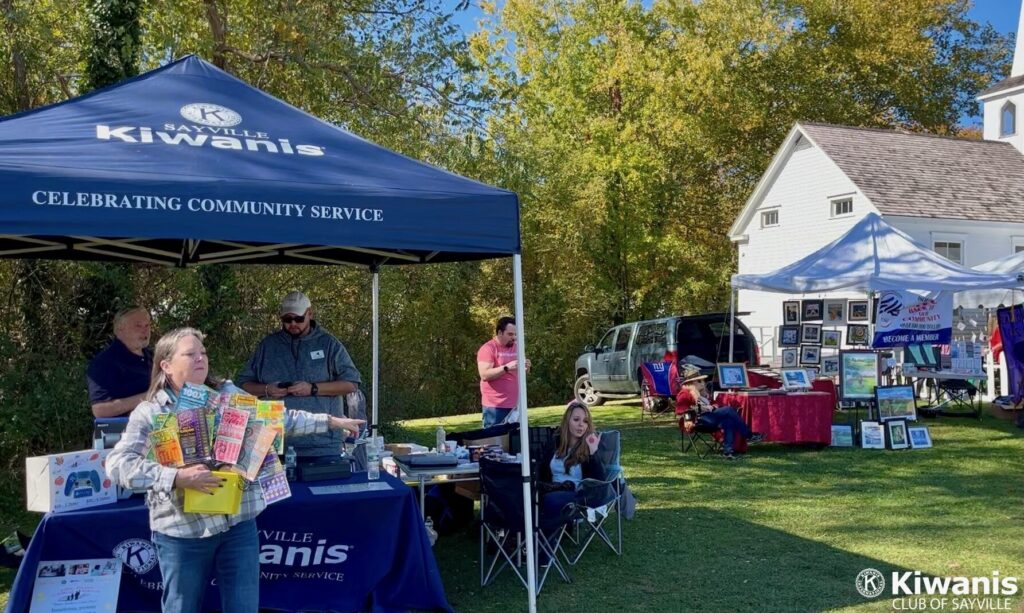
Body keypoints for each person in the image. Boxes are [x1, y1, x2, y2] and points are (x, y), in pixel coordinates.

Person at [107, 328, 363, 613]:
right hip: (183, 533)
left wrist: (329, 420)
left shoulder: (227, 394)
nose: (200, 358)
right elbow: (119, 466)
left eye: (203, 352)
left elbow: (277, 419)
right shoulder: (151, 413)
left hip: (237, 524)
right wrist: (177, 477)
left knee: (244, 607)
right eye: (190, 354)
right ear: (166, 365)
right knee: (181, 607)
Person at [236, 291, 362, 458]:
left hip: (323, 445)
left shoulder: (329, 344)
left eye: (299, 319)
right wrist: (267, 389)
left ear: (310, 314)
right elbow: (242, 386)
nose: (293, 324)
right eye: (287, 320)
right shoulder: (268, 345)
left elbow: (352, 383)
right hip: (273, 445)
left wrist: (313, 389)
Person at [537, 400, 609, 521]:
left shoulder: (590, 447)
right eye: (576, 420)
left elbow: (599, 481)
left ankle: (547, 538)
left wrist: (593, 452)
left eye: (585, 421)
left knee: (550, 500)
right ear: (567, 422)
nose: (581, 424)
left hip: (578, 495)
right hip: (552, 488)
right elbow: (542, 470)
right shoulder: (555, 443)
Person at [675, 364, 761, 459]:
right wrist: (698, 408)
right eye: (699, 381)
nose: (703, 383)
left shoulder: (704, 393)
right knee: (728, 410)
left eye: (703, 380)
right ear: (691, 383)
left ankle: (728, 452)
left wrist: (712, 407)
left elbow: (715, 404)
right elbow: (680, 410)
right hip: (699, 421)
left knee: (729, 422)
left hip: (711, 418)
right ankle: (748, 435)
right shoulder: (685, 394)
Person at [87, 306, 153, 417]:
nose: (145, 330)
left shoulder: (154, 357)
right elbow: (100, 410)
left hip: (159, 429)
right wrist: (148, 397)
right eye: (138, 326)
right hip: (123, 431)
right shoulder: (105, 362)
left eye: (147, 325)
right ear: (120, 329)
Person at [477, 316, 530, 427]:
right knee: (493, 440)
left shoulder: (517, 347)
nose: (514, 338)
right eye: (510, 334)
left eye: (515, 334)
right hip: (495, 406)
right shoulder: (488, 348)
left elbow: (523, 373)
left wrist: (526, 367)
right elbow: (484, 375)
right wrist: (506, 368)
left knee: (516, 440)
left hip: (516, 404)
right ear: (500, 332)